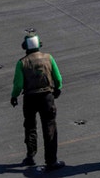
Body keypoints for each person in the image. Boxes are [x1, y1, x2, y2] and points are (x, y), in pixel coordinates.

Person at [10, 33, 65, 172]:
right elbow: (58, 78)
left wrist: (14, 96)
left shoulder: (21, 62)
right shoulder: (48, 58)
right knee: (50, 128)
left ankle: (30, 155)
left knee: (30, 126)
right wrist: (58, 88)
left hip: (30, 98)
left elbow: (18, 85)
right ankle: (51, 161)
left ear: (25, 46)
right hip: (47, 97)